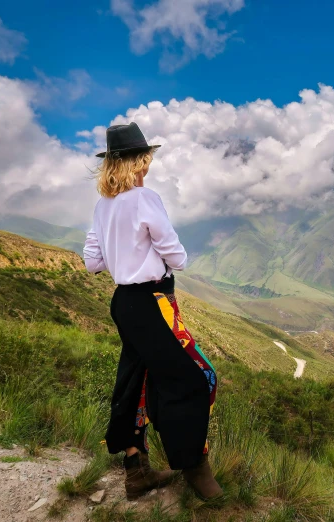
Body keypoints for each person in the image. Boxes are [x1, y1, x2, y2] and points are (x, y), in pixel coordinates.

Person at [83, 122, 222, 500]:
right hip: (154, 302)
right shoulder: (145, 199)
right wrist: (154, 256)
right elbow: (177, 255)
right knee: (195, 378)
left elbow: (92, 262)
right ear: (140, 161)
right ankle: (193, 466)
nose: (148, 166)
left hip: (123, 303)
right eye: (146, 159)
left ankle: (136, 471)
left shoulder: (102, 205)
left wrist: (122, 255)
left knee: (135, 379)